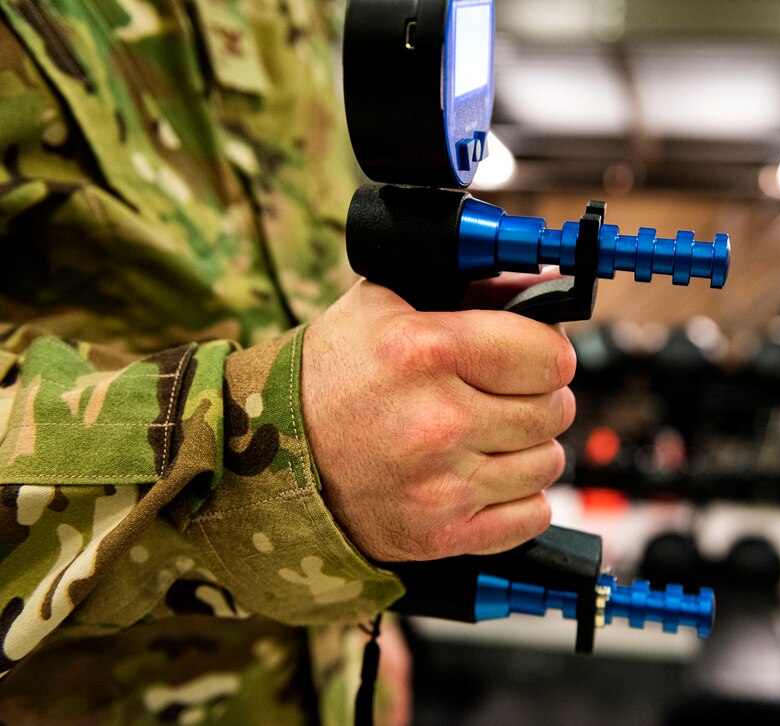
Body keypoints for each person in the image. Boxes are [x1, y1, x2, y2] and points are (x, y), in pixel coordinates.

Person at [0, 1, 575, 723]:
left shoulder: (298, 14)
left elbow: (322, 305)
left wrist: (364, 625)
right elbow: (309, 411)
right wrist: (267, 440)